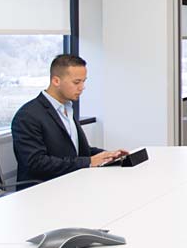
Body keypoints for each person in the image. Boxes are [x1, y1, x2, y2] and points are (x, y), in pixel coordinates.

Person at [12, 54, 128, 187]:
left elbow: (77, 152)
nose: (82, 87)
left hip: (73, 182)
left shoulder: (67, 109)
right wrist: (88, 162)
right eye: (76, 82)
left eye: (84, 81)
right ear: (56, 81)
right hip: (45, 189)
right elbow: (36, 163)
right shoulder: (28, 115)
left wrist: (108, 156)